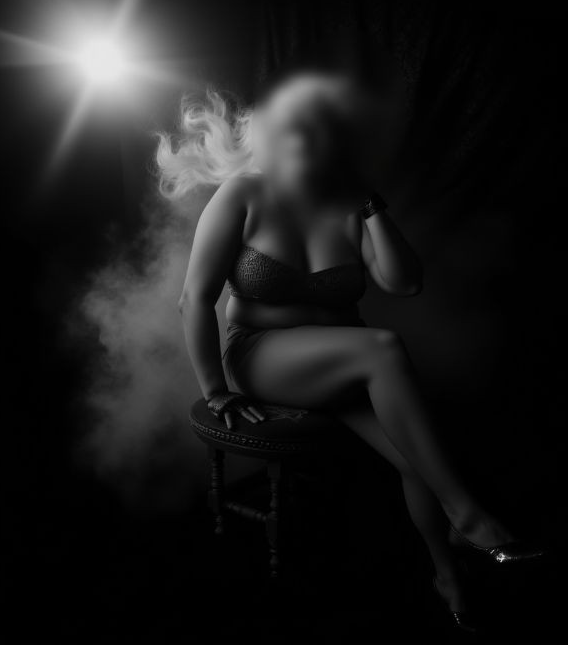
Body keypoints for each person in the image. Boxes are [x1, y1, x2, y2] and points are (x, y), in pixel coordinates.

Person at [157, 73, 543, 631]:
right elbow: (194, 299)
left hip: (347, 364)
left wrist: (369, 202)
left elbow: (404, 282)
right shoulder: (243, 195)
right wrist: (214, 390)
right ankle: (469, 515)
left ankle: (449, 579)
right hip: (262, 356)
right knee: (383, 347)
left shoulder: (349, 207)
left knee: (415, 457)